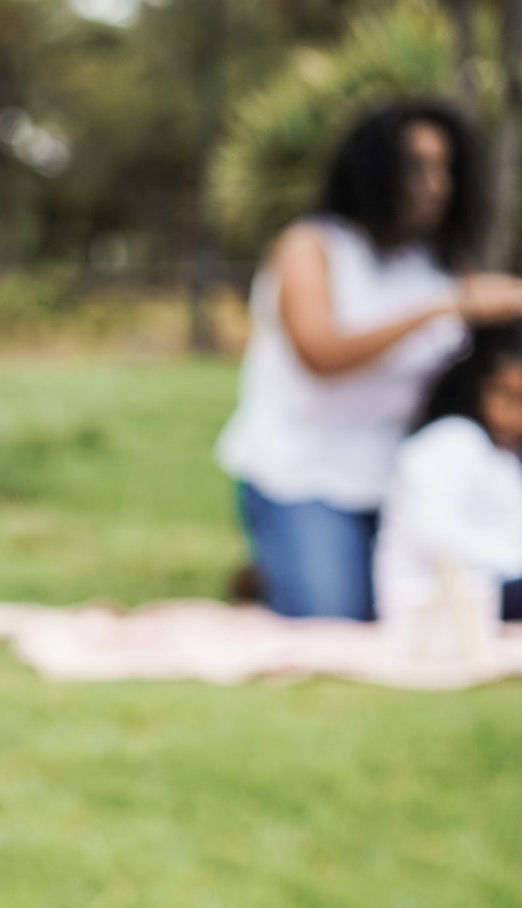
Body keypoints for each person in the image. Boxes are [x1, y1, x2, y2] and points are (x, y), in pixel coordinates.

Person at [216, 100, 522, 620]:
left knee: (434, 603)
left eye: (445, 168)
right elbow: (321, 353)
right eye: (417, 167)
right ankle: (270, 573)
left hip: (398, 475)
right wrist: (447, 304)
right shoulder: (311, 247)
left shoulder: (433, 262)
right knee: (335, 617)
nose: (436, 185)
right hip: (303, 474)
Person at [374, 322, 522, 630]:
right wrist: (512, 560)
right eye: (509, 397)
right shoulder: (450, 442)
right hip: (434, 598)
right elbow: (436, 533)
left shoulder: (506, 454)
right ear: (478, 387)